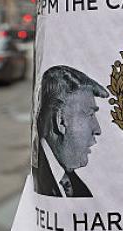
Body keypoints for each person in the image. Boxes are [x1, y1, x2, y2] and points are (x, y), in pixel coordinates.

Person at [32, 65, 110, 198]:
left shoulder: (78, 187)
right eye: (90, 114)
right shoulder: (45, 181)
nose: (97, 130)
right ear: (61, 121)